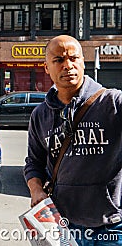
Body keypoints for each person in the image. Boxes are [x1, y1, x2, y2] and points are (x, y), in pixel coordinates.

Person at [24, 35, 122, 245]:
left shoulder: (113, 103)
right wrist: (36, 189)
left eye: (73, 58)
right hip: (64, 226)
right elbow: (34, 162)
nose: (67, 65)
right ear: (47, 67)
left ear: (82, 61)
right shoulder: (40, 115)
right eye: (58, 60)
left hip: (114, 226)